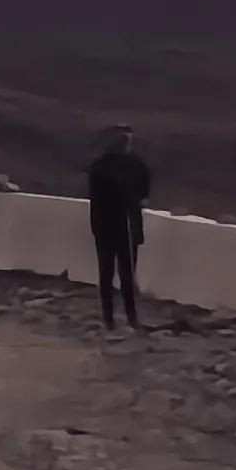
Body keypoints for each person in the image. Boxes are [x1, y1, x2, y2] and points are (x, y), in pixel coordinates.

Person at [84, 125, 152, 328]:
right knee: (123, 273)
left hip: (108, 226)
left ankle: (111, 319)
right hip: (124, 226)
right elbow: (143, 195)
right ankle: (128, 318)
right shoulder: (136, 166)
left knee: (109, 273)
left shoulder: (99, 165)